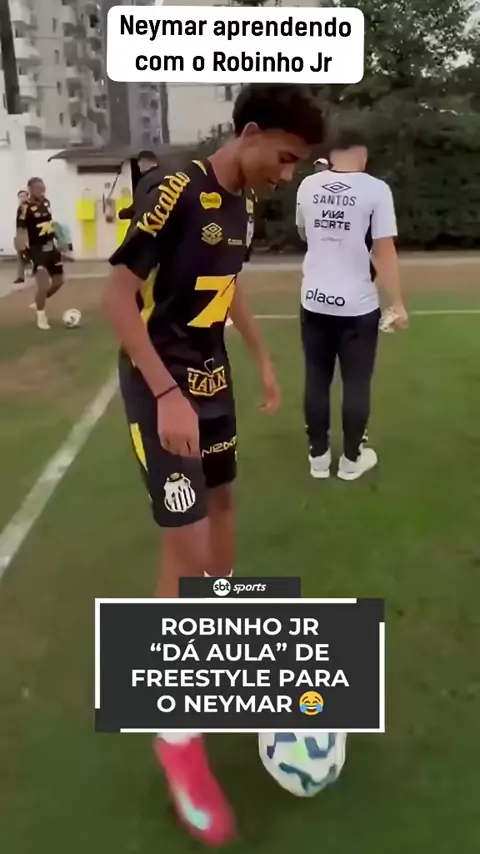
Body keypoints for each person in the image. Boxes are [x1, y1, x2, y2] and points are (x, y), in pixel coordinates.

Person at [104, 83, 325, 847]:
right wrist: (166, 394)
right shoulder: (173, 189)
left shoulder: (246, 209)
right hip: (160, 387)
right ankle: (174, 736)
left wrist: (260, 358)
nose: (287, 174)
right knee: (189, 550)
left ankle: (215, 654)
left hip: (212, 379)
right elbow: (117, 298)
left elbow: (225, 289)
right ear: (251, 132)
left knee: (224, 514)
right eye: (285, 158)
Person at [296, 128, 408, 481]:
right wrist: (397, 303)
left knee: (316, 378)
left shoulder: (307, 186)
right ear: (361, 154)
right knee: (356, 382)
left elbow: (304, 232)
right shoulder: (376, 190)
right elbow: (384, 250)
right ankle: (351, 460)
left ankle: (318, 458)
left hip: (314, 300)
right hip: (357, 305)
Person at [17, 178, 65, 330]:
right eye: (39, 189)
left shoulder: (46, 203)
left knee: (58, 282)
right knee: (43, 285)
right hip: (37, 250)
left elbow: (49, 224)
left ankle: (38, 302)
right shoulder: (24, 208)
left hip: (52, 248)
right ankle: (41, 317)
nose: (42, 192)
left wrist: (60, 239)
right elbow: (21, 231)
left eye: (43, 188)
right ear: (30, 190)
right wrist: (22, 251)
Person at [117, 149, 160, 222]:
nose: (138, 165)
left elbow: (140, 205)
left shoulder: (146, 181)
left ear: (144, 161)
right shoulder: (167, 176)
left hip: (152, 222)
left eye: (139, 162)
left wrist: (123, 213)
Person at [13, 190, 31, 284]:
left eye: (24, 196)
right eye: (20, 196)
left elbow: (25, 221)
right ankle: (20, 276)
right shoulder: (21, 207)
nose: (22, 198)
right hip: (20, 231)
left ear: (27, 196)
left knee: (27, 254)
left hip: (26, 232)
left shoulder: (27, 207)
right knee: (20, 254)